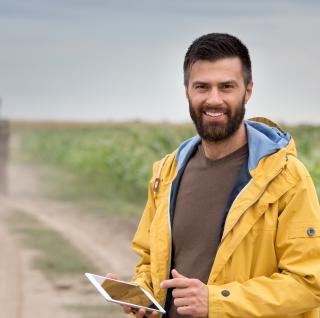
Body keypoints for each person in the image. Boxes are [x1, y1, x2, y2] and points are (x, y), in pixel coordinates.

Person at [107, 33, 320, 318]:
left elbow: (308, 284)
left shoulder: (286, 177)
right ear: (187, 92)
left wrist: (216, 302)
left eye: (227, 87)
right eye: (202, 87)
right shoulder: (167, 173)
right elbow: (150, 261)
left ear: (248, 91)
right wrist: (141, 292)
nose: (214, 99)